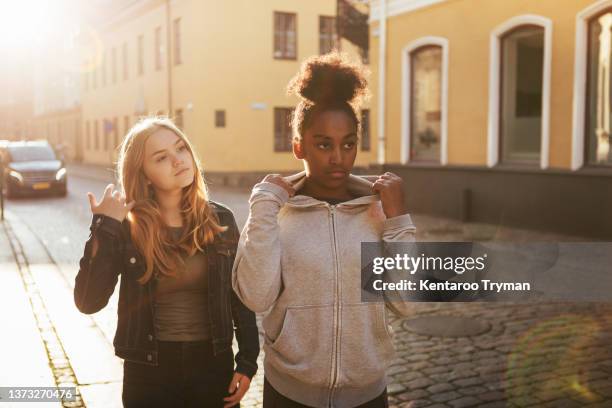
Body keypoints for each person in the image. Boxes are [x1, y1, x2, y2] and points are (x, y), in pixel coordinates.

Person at [232, 53, 417, 408]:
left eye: (348, 144)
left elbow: (406, 304)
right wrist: (264, 207)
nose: (338, 158)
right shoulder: (277, 212)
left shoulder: (379, 210)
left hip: (367, 396)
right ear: (298, 145)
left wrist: (398, 219)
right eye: (323, 144)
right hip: (289, 394)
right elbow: (255, 297)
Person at [74, 116, 259, 408]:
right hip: (148, 372)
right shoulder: (126, 227)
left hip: (212, 366)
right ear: (144, 173)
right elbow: (88, 301)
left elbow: (239, 295)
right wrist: (104, 226)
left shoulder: (220, 219)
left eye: (181, 149)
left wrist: (247, 362)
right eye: (161, 158)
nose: (178, 160)